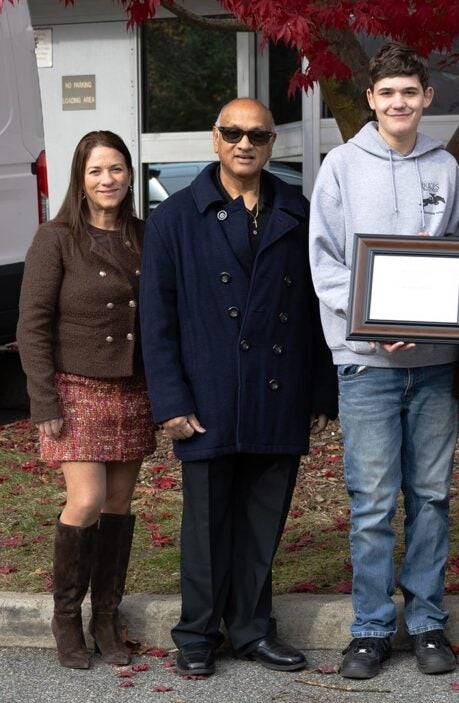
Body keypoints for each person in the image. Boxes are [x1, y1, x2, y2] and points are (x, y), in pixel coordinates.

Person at [140, 98, 337, 678]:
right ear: (215, 137)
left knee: (262, 521)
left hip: (278, 392)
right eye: (233, 133)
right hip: (207, 396)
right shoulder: (174, 219)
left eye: (257, 135)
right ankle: (198, 633)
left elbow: (316, 310)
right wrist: (170, 402)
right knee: (205, 524)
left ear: (273, 143)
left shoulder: (298, 212)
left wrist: (320, 394)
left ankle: (252, 629)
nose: (244, 144)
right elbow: (157, 318)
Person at [308, 42, 459, 680]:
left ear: (426, 98)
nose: (400, 102)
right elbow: (325, 261)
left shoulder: (445, 167)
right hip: (366, 365)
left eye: (411, 92)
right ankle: (371, 628)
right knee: (373, 502)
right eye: (388, 93)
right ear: (372, 100)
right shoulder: (342, 167)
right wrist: (370, 326)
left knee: (431, 495)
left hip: (433, 363)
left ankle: (428, 622)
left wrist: (436, 315)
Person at [17, 130, 155, 669]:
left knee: (120, 503)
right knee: (87, 500)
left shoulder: (146, 235)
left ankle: (106, 616)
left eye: (117, 169)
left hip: (134, 387)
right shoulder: (54, 239)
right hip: (76, 387)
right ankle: (66, 619)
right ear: (80, 177)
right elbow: (31, 326)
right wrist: (43, 402)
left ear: (129, 174)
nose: (108, 180)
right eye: (97, 171)